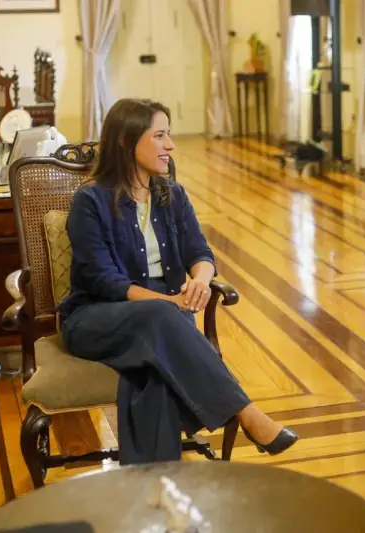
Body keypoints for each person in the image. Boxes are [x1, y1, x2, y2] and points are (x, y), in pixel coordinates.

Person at [58, 98, 298, 464]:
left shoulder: (173, 195)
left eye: (168, 134)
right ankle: (246, 413)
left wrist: (200, 281)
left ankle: (156, 488)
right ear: (125, 141)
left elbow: (201, 254)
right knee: (163, 318)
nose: (170, 145)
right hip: (96, 319)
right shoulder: (90, 201)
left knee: (153, 377)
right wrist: (167, 304)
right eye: (159, 135)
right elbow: (102, 280)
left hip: (163, 322)